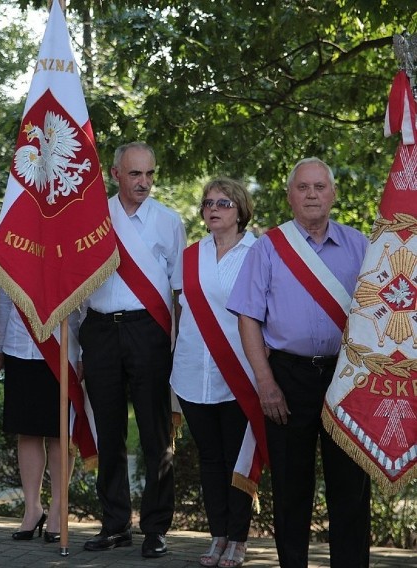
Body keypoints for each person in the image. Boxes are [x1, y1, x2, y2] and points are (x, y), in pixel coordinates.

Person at [226, 157, 371, 568]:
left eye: (319, 187)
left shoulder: (361, 245)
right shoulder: (269, 247)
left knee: (352, 487)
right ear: (290, 195)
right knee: (291, 487)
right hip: (287, 379)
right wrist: (266, 382)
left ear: (333, 194)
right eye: (303, 187)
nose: (312, 194)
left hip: (347, 377)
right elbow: (248, 319)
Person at [79, 142, 184, 557]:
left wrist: (177, 344)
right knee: (109, 432)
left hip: (149, 331)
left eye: (150, 174)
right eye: (136, 174)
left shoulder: (169, 221)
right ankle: (115, 524)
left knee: (157, 434)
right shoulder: (91, 219)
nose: (144, 182)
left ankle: (156, 527)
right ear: (115, 173)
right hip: (100, 330)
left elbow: (178, 290)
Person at [170, 178, 260, 568]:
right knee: (210, 459)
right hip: (192, 372)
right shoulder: (189, 256)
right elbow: (178, 310)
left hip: (240, 374)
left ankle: (239, 539)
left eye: (223, 203)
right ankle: (218, 535)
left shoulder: (260, 252)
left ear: (239, 210)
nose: (214, 208)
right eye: (208, 203)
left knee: (236, 460)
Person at [0, 289, 78, 543]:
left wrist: (83, 351)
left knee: (59, 433)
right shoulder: (15, 246)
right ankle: (32, 509)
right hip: (19, 347)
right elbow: (5, 300)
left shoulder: (70, 247)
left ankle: (58, 511)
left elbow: (83, 300)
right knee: (27, 431)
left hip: (62, 347)